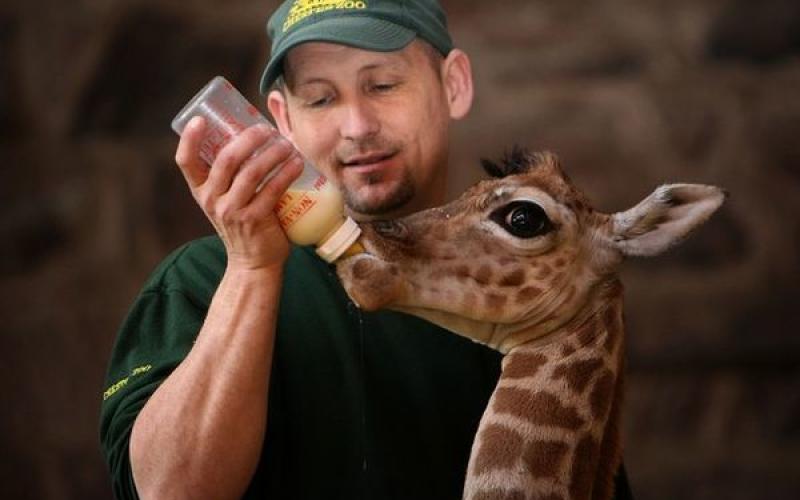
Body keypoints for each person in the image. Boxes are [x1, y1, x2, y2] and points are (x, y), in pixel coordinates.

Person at [99, 1, 635, 499]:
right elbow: (170, 492)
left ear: (454, 84)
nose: (356, 126)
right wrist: (252, 265)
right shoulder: (200, 278)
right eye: (321, 98)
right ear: (283, 119)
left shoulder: (530, 287)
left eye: (382, 85)